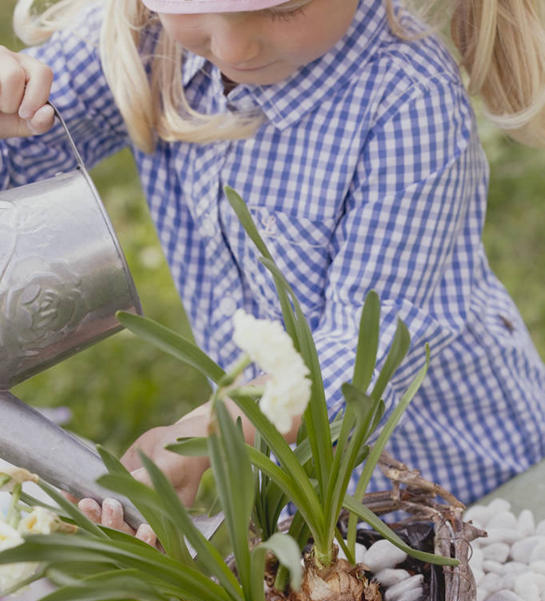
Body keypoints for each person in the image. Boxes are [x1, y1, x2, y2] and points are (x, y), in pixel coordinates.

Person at [1, 0, 545, 525]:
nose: (234, 45)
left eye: (285, 9)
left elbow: (371, 340)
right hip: (301, 490)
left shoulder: (406, 95)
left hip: (463, 474)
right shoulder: (144, 35)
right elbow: (16, 167)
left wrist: (211, 432)